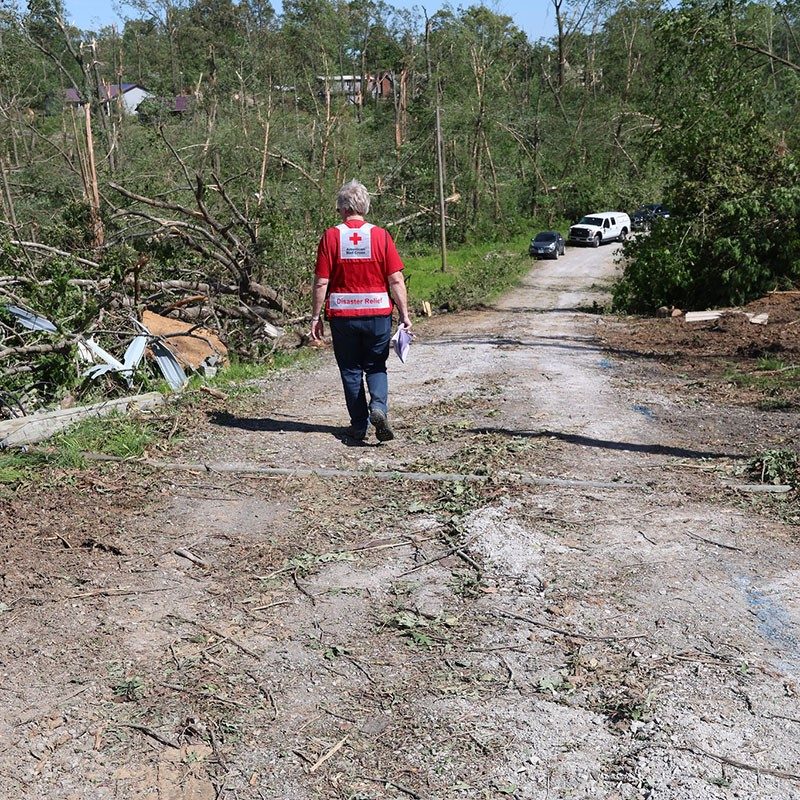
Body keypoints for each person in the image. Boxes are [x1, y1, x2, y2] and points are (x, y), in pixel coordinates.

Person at [310, 179, 412, 442]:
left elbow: (322, 281)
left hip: (343, 317)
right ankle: (378, 407)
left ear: (342, 208)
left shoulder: (331, 236)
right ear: (364, 206)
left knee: (351, 369)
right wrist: (405, 314)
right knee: (376, 365)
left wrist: (315, 316)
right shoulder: (380, 236)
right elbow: (396, 279)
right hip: (378, 314)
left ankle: (359, 425)